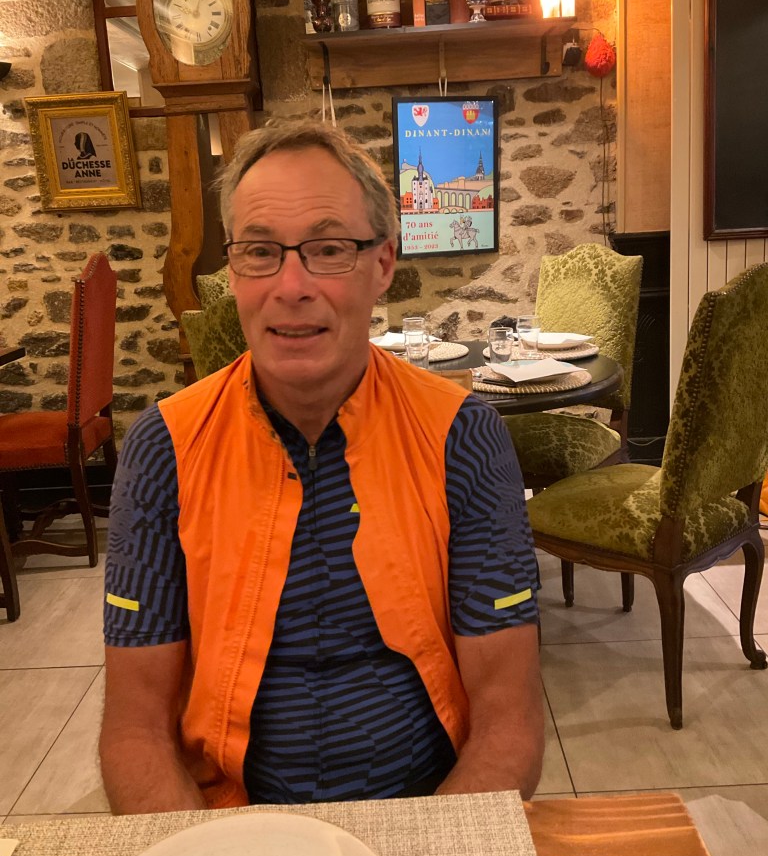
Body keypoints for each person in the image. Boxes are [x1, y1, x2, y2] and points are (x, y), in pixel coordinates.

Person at [99, 119, 543, 814]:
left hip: (429, 812)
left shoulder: (462, 436)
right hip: (231, 825)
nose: (291, 285)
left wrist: (429, 852)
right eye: (260, 252)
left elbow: (508, 724)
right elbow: (134, 732)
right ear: (233, 272)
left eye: (329, 249)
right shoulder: (166, 448)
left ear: (383, 264)